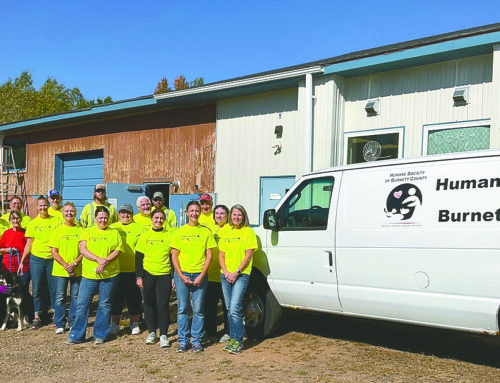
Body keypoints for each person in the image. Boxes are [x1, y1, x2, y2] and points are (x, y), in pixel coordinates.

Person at [67, 206, 123, 345]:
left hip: (110, 274)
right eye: (100, 217)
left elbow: (118, 250)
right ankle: (76, 335)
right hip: (89, 275)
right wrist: (98, 259)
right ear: (95, 218)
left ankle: (100, 334)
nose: (103, 220)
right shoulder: (87, 231)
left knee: (104, 304)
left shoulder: (114, 233)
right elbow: (83, 249)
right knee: (82, 304)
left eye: (105, 218)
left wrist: (105, 262)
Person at [170, 200, 215, 353]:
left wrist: (202, 275)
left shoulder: (206, 231)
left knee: (198, 309)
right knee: (182, 309)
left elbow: (209, 255)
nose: (195, 213)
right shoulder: (179, 232)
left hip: (199, 275)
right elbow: (174, 255)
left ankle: (196, 341)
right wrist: (181, 276)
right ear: (187, 213)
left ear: (200, 212)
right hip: (182, 275)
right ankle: (183, 341)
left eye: (197, 210)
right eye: (192, 211)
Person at [219, 204, 258, 354]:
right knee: (229, 309)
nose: (236, 217)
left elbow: (249, 255)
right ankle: (233, 339)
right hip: (226, 275)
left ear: (244, 216)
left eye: (239, 215)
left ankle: (239, 340)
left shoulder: (249, 232)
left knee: (235, 308)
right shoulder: (226, 231)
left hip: (241, 275)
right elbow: (221, 255)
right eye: (234, 215)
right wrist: (226, 271)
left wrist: (236, 272)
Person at [18, 196, 61, 329]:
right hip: (36, 259)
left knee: (53, 288)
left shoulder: (56, 221)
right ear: (37, 207)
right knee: (36, 289)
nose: (42, 208)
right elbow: (28, 245)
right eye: (40, 206)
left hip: (52, 259)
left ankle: (55, 314)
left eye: (44, 205)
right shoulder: (33, 223)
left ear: (48, 206)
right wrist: (22, 261)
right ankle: (38, 316)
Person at [135, 208, 174, 348]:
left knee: (163, 305)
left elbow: (173, 257)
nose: (158, 220)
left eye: (161, 218)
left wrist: (173, 277)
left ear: (164, 220)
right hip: (148, 274)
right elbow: (139, 257)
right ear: (151, 219)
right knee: (149, 303)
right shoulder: (145, 235)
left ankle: (163, 334)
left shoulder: (170, 235)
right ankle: (152, 332)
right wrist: (139, 276)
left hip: (164, 274)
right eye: (156, 218)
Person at [109, 203, 144, 336]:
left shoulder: (140, 227)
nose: (125, 215)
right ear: (119, 214)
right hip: (116, 269)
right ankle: (114, 324)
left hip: (133, 269)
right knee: (116, 298)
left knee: (134, 298)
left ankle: (134, 323)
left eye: (128, 212)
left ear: (132, 213)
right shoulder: (113, 227)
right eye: (123, 213)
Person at [48, 202, 83, 334]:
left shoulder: (80, 230)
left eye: (71, 211)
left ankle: (73, 322)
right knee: (60, 297)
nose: (69, 213)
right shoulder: (57, 231)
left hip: (77, 269)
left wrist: (74, 264)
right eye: (66, 211)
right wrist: (65, 265)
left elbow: (83, 251)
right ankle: (60, 323)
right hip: (60, 270)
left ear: (75, 213)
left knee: (75, 296)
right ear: (62, 213)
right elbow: (54, 251)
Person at [204, 204, 230, 342]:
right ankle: (210, 331)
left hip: (225, 274)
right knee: (209, 305)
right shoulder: (210, 230)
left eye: (222, 213)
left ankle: (228, 331)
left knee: (227, 306)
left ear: (227, 215)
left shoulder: (231, 230)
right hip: (211, 274)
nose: (219, 216)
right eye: (217, 213)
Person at [0, 210, 31, 305]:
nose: (16, 221)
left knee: (23, 289)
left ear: (21, 219)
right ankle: (5, 313)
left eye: (17, 218)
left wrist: (22, 261)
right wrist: (8, 250)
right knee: (4, 290)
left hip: (23, 266)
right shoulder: (6, 233)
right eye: (13, 218)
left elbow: (29, 248)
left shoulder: (26, 233)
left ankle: (24, 314)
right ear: (10, 220)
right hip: (7, 266)